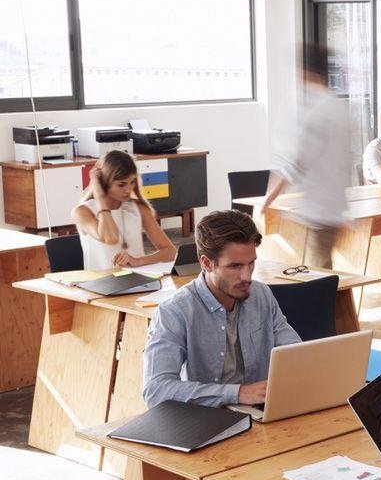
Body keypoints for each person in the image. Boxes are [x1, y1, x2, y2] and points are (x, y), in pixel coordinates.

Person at [142, 210, 300, 408]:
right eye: (235, 266)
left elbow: (295, 353)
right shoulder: (174, 312)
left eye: (251, 264)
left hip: (261, 411)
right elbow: (155, 390)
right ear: (207, 263)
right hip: (207, 419)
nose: (247, 277)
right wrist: (237, 393)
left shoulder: (261, 295)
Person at [260, 42, 351, 269]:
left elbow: (295, 161)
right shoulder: (338, 106)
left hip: (318, 209)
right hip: (333, 206)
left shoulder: (313, 108)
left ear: (304, 72)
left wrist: (266, 200)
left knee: (317, 272)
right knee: (321, 269)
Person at [71, 150, 177, 271]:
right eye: (121, 185)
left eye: (132, 182)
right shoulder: (82, 212)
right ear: (104, 183)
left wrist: (139, 261)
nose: (128, 189)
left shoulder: (138, 208)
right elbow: (110, 237)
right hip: (101, 284)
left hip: (137, 281)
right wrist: (100, 196)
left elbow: (170, 252)